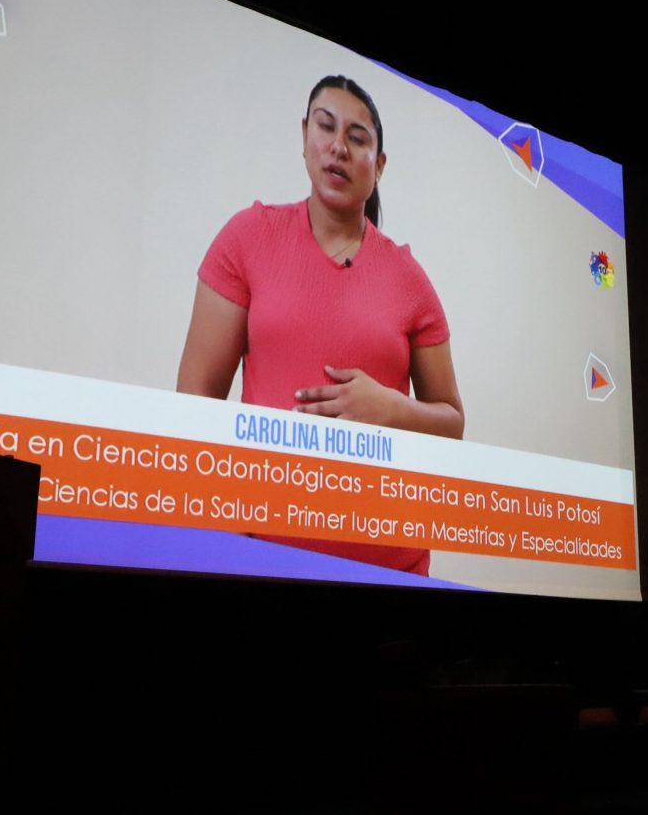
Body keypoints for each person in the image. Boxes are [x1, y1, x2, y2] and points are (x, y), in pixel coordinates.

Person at [176, 76, 463, 574]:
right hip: (258, 556)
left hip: (390, 567)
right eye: (326, 127)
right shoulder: (249, 238)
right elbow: (196, 398)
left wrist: (392, 408)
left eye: (357, 137)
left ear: (379, 165)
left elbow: (452, 424)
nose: (338, 147)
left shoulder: (408, 278)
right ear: (304, 135)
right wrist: (222, 530)